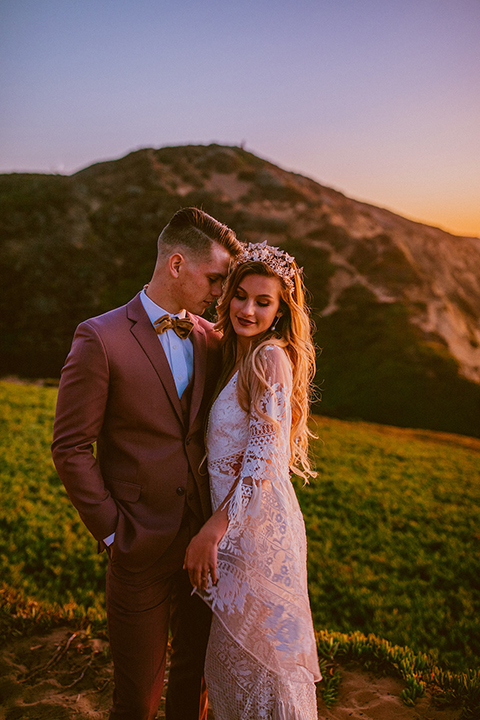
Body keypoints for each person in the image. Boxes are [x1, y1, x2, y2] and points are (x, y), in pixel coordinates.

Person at [51, 207, 242, 720]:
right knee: (136, 695)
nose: (221, 294)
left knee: (194, 687)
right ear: (176, 264)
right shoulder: (100, 338)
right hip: (137, 547)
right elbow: (70, 447)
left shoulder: (213, 340)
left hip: (204, 549)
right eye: (216, 280)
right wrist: (113, 532)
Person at [184, 241, 322, 719]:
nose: (247, 309)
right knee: (227, 664)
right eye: (240, 295)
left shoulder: (269, 360)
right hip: (234, 532)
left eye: (263, 302)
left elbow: (263, 464)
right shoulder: (232, 356)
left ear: (281, 310)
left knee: (260, 664)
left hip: (256, 534)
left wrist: (213, 529)